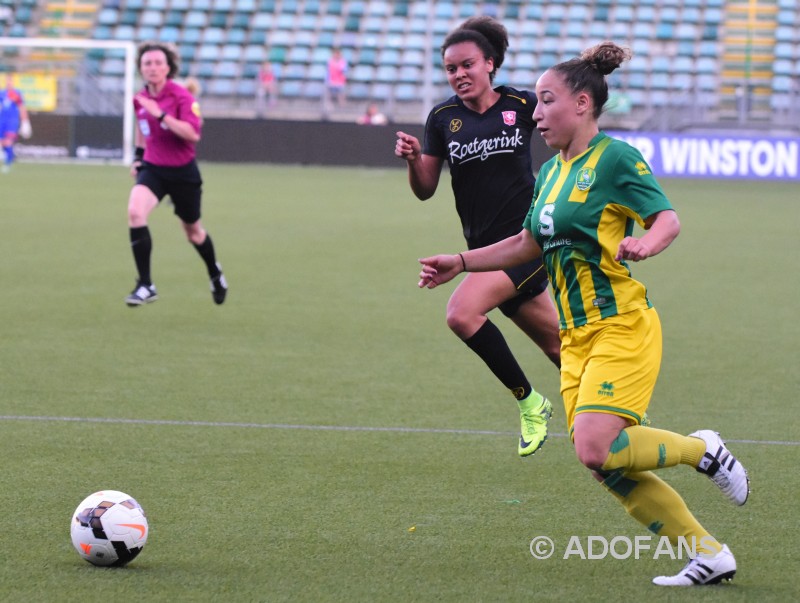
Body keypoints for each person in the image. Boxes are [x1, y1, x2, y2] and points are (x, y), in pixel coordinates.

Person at [417, 42, 750, 586]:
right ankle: (708, 554)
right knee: (602, 465)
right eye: (538, 103)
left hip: (621, 323)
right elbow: (525, 243)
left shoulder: (614, 158)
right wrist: (460, 261)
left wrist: (647, 246)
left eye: (547, 102)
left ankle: (702, 449)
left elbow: (665, 219)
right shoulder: (549, 173)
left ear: (582, 104)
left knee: (597, 447)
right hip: (576, 336)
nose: (538, 113)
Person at [395, 17, 561, 458]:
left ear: (489, 63)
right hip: (486, 252)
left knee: (461, 313)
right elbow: (426, 188)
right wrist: (414, 159)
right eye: (450, 69)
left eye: (467, 64)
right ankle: (621, 418)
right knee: (560, 348)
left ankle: (531, 403)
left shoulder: (522, 102)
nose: (459, 74)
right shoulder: (442, 118)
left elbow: (564, 130)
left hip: (525, 243)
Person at [126, 42, 227, 307]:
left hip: (183, 173)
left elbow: (192, 134)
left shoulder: (182, 97)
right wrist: (138, 158)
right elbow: (141, 126)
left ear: (168, 67)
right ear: (141, 68)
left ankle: (215, 274)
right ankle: (146, 284)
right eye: (147, 63)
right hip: (154, 169)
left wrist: (161, 115)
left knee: (193, 233)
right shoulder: (140, 98)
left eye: (158, 63)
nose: (153, 67)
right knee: (136, 212)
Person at [0, 74, 32, 173]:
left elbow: (22, 107)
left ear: (13, 82)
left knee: (8, 141)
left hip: (12, 121)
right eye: (7, 81)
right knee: (2, 142)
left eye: (11, 81)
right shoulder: (2, 93)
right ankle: (11, 157)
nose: (9, 83)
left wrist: (25, 122)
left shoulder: (17, 93)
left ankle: (8, 164)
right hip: (2, 120)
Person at [323, 47, 348, 116]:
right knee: (327, 90)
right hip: (331, 81)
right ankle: (329, 105)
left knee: (342, 90)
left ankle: (342, 104)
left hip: (340, 82)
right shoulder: (330, 62)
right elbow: (328, 72)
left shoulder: (343, 62)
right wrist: (328, 81)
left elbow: (344, 71)